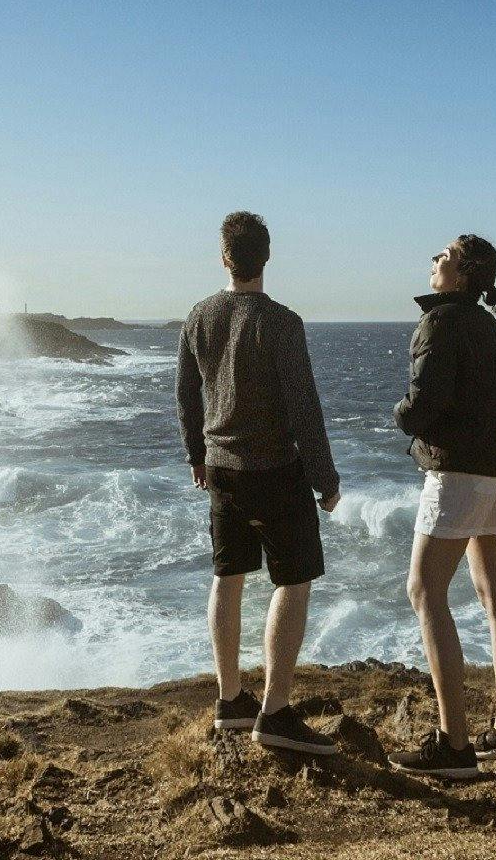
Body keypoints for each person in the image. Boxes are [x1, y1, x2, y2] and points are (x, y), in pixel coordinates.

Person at [175, 210, 342, 757]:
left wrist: (197, 455)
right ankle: (274, 712)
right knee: (291, 581)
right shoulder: (282, 322)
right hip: (274, 469)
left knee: (228, 575)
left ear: (225, 257)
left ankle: (230, 700)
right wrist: (324, 477)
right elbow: (303, 406)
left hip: (221, 467)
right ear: (265, 258)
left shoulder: (199, 317)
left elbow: (187, 396)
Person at [388, 234, 496, 780]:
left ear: (462, 274)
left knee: (424, 589)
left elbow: (425, 402)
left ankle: (453, 744)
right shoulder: (494, 329)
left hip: (462, 468)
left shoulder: (441, 322)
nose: (433, 260)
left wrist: (400, 417)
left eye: (442, 256)